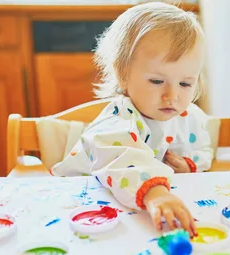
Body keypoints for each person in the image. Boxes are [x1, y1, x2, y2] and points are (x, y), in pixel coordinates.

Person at [51, 2, 213, 237]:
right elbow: (121, 157)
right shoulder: (119, 117)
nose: (172, 95)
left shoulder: (187, 115)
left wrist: (190, 164)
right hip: (79, 203)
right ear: (123, 75)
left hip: (126, 206)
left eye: (186, 83)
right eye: (157, 81)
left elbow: (202, 146)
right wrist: (155, 193)